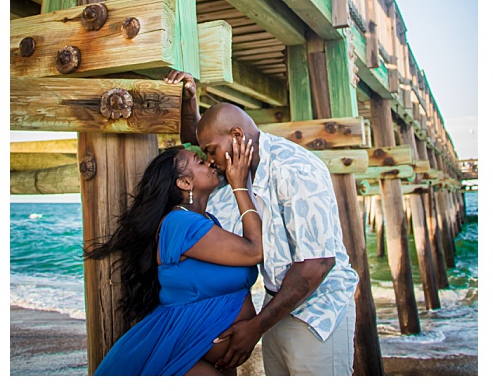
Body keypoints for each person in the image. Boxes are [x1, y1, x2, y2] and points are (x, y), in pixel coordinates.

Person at [170, 72, 360, 375]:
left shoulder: (295, 169)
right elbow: (196, 140)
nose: (208, 160)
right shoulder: (238, 169)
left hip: (317, 311)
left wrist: (255, 327)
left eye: (210, 152)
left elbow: (317, 264)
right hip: (278, 306)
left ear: (236, 136)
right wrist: (190, 100)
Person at [89, 135, 261, 375]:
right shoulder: (180, 222)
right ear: (184, 182)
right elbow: (255, 251)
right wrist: (241, 186)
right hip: (179, 355)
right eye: (200, 162)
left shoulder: (208, 221)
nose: (210, 163)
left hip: (198, 353)